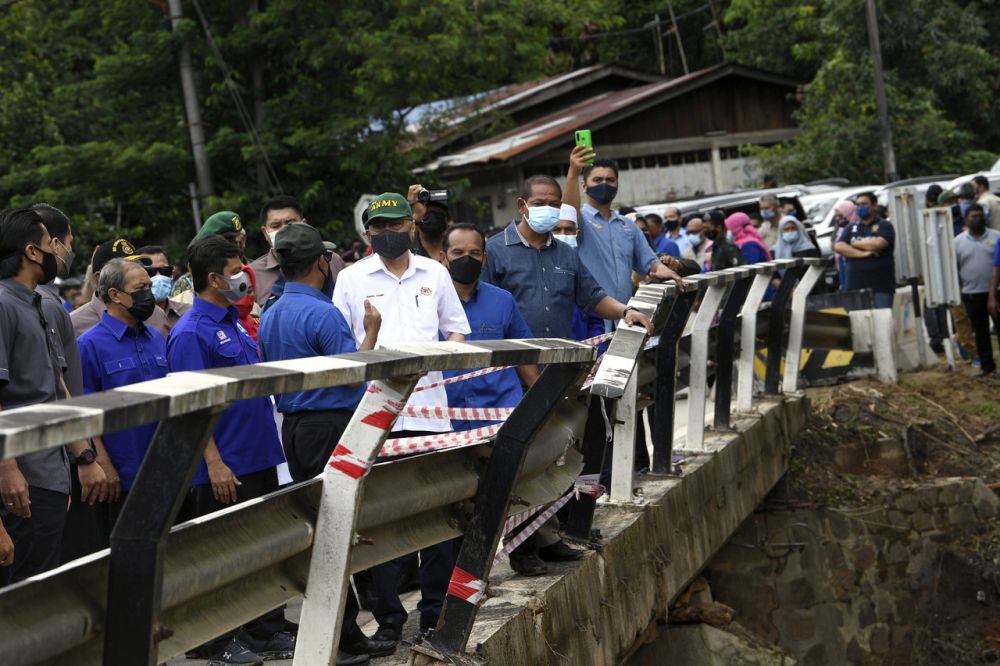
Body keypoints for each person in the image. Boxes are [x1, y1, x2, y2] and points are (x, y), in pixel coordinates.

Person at [333, 192, 470, 646]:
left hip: (431, 412)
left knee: (436, 516)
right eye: (380, 228)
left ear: (411, 228)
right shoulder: (350, 279)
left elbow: (456, 327)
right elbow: (343, 352)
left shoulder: (435, 273)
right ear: (367, 232)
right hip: (375, 416)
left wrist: (443, 354)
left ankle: (434, 611)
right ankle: (389, 618)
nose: (389, 234)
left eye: (397, 225)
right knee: (379, 520)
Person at [257, 223, 390, 665]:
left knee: (324, 530)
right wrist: (371, 331)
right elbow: (354, 378)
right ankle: (339, 635)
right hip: (329, 425)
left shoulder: (272, 310)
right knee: (336, 531)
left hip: (295, 429)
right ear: (320, 262)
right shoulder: (323, 312)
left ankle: (346, 631)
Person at [167, 235, 291, 664]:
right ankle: (220, 638)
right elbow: (192, 410)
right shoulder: (190, 333)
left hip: (258, 454)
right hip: (225, 465)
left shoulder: (232, 321)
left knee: (261, 547)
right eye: (237, 270)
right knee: (224, 554)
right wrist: (214, 464)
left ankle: (264, 629)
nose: (245, 277)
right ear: (214, 278)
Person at [0, 208, 106, 586]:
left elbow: (56, 390)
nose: (58, 253)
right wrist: (7, 470)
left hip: (51, 471)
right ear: (32, 252)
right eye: (51, 245)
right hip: (22, 477)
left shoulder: (38, 305)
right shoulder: (3, 305)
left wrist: (82, 455)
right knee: (25, 589)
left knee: (46, 579)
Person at [77, 259, 167, 535]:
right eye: (141, 288)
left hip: (165, 471)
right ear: (115, 294)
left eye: (150, 287)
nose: (149, 295)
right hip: (123, 476)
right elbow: (85, 413)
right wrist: (103, 463)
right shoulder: (89, 344)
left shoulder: (155, 337)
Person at [439, 223, 540, 431]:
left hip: (501, 417)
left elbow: (523, 355)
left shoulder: (502, 301)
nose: (466, 259)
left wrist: (544, 405)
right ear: (443, 258)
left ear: (484, 259)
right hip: (447, 420)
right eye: (458, 252)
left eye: (474, 253)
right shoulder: (427, 304)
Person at [577, 157, 682, 327]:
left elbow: (650, 262)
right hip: (589, 320)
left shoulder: (628, 226)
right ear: (584, 185)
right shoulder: (577, 221)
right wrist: (573, 172)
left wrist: (665, 270)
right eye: (597, 180)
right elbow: (567, 210)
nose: (604, 184)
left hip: (625, 318)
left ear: (617, 184)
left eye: (610, 180)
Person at [249, 195, 347, 307]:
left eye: (290, 223)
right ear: (265, 233)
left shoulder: (331, 259)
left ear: (304, 224)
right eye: (276, 225)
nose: (284, 230)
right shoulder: (253, 274)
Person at [954, 204, 1000, 376]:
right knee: (980, 332)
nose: (977, 219)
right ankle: (987, 366)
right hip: (971, 293)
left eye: (980, 216)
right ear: (966, 219)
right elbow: (955, 267)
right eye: (973, 216)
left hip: (996, 292)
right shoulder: (958, 241)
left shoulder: (996, 237)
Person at [834, 192, 896, 309]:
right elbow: (839, 247)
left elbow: (878, 244)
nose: (860, 207)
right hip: (854, 288)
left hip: (880, 287)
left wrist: (854, 243)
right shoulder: (850, 228)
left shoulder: (884, 225)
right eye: (857, 204)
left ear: (874, 206)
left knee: (882, 323)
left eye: (864, 204)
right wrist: (864, 254)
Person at [171, 211, 247, 300]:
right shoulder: (185, 284)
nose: (233, 246)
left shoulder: (251, 270)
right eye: (227, 241)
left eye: (236, 241)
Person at [137, 245, 190, 336]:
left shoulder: (188, 312)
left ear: (172, 274)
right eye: (150, 272)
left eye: (164, 271)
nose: (158, 277)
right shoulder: (133, 319)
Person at [406, 185, 449, 259]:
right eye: (429, 212)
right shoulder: (407, 254)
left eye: (437, 212)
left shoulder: (458, 250)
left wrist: (418, 214)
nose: (432, 219)